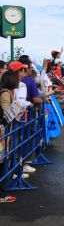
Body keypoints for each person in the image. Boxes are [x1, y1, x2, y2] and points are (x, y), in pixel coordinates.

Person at [0, 70, 20, 204]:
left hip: (4, 132)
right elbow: (6, 114)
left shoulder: (6, 92)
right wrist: (16, 111)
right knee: (1, 161)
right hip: (2, 133)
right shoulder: (6, 93)